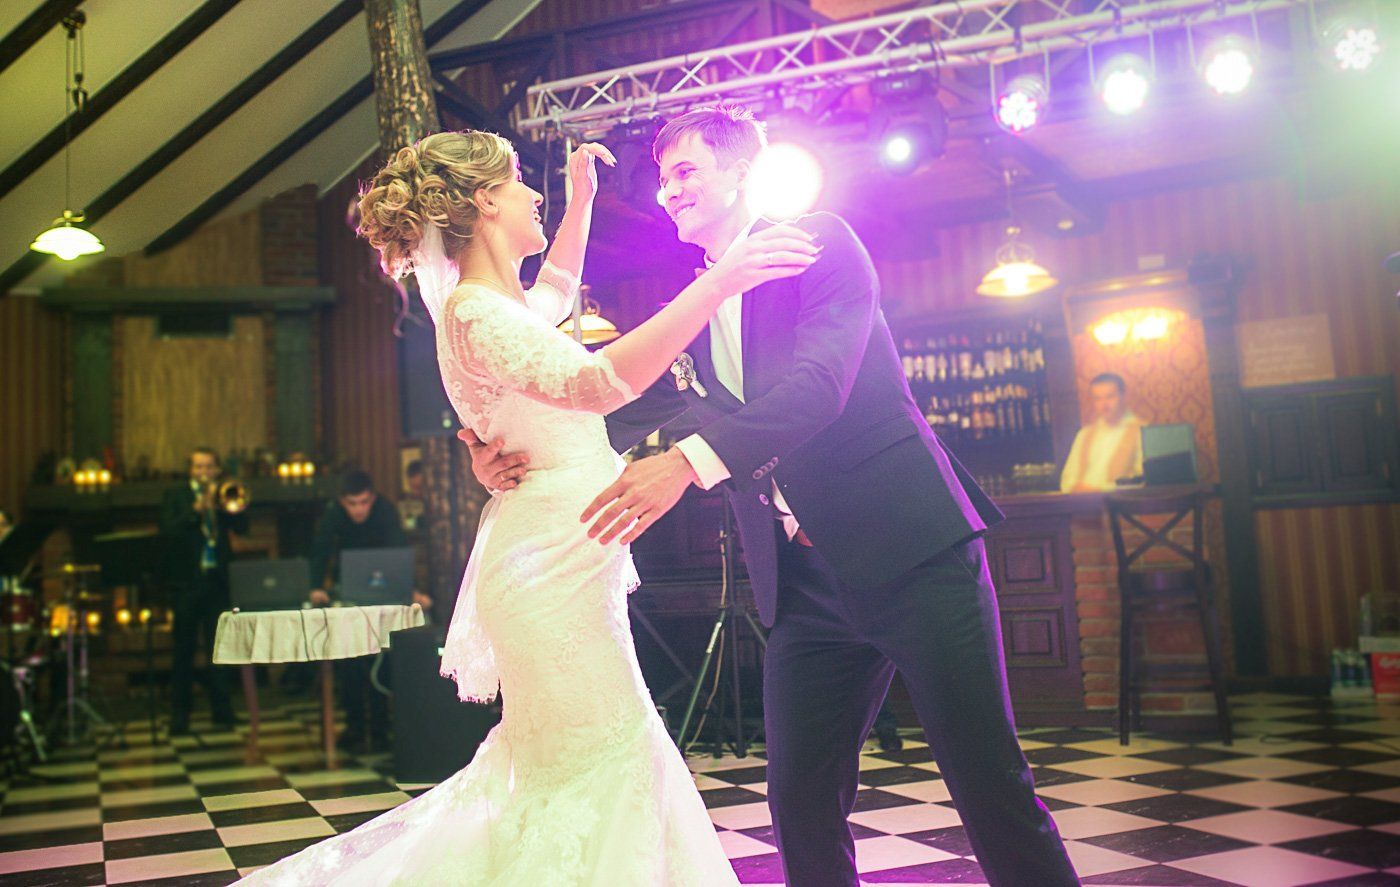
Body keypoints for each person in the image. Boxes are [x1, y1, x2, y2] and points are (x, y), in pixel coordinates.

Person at [469, 105, 1080, 887]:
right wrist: (503, 446)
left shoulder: (817, 244)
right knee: (798, 800)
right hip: (803, 590)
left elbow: (817, 389)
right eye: (663, 179)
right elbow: (613, 404)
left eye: (686, 171)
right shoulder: (696, 301)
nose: (669, 192)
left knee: (989, 782)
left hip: (911, 554)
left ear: (742, 173)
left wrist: (686, 463)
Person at [237, 130, 814, 886]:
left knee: (591, 761)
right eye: (520, 184)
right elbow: (598, 383)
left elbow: (557, 292)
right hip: (548, 570)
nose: (533, 194)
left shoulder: (494, 307)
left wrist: (581, 203)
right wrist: (716, 285)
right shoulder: (476, 314)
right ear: (482, 201)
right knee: (601, 757)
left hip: (564, 557)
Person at [307, 469, 427, 752]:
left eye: (364, 503)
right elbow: (320, 549)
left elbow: (400, 549)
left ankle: (381, 728)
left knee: (383, 661)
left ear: (372, 498)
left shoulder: (385, 510)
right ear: (342, 501)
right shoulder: (333, 514)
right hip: (347, 590)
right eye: (352, 504)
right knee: (349, 661)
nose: (359, 510)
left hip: (384, 589)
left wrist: (412, 589)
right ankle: (355, 726)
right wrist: (315, 586)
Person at [159, 447, 244, 735]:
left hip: (216, 582)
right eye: (198, 467)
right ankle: (179, 716)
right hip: (186, 583)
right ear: (190, 470)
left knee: (219, 649)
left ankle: (223, 711)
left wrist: (230, 507)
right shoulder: (176, 496)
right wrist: (195, 511)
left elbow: (243, 528)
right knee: (183, 649)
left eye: (209, 467)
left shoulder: (224, 494)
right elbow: (167, 531)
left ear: (217, 470)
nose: (204, 472)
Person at [1059, 372, 1143, 493]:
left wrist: (1098, 490)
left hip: (1120, 507)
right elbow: (1067, 479)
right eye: (1097, 398)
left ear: (1123, 396)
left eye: (1110, 397)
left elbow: (1142, 481)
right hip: (1080, 505)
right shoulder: (1084, 434)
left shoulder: (1141, 432)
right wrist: (1075, 490)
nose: (1104, 405)